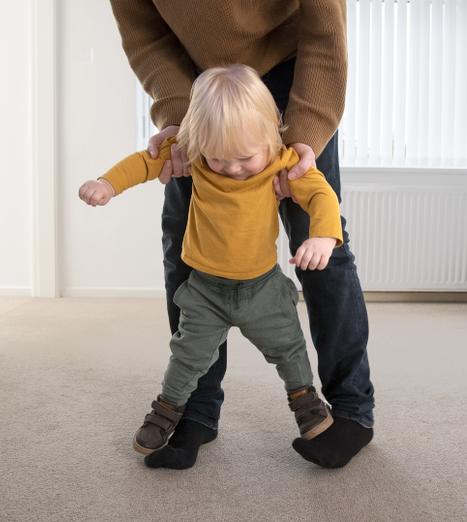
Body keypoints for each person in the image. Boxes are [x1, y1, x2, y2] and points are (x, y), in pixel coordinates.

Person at [109, 0, 375, 469]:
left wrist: (307, 132)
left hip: (293, 71)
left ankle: (351, 411)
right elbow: (146, 36)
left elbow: (323, 32)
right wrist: (177, 115)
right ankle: (196, 410)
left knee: (323, 245)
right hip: (204, 88)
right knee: (185, 247)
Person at [79, 65, 341, 459]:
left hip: (262, 288)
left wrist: (323, 235)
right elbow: (145, 161)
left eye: (245, 158)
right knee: (187, 355)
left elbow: (322, 195)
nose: (233, 168)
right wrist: (107, 184)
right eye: (219, 160)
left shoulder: (282, 162)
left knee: (289, 348)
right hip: (205, 290)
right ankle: (166, 410)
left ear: (271, 134)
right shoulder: (197, 155)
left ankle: (305, 402)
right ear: (198, 143)